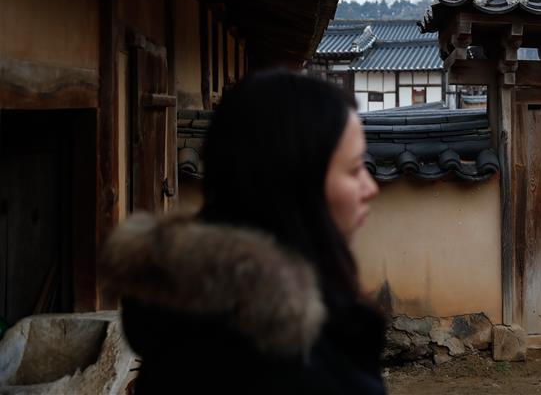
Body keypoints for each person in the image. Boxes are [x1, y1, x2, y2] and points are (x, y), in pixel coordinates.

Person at [101, 70, 383, 394]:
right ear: (293, 185)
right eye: (353, 169)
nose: (370, 187)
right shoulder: (291, 364)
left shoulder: (177, 324)